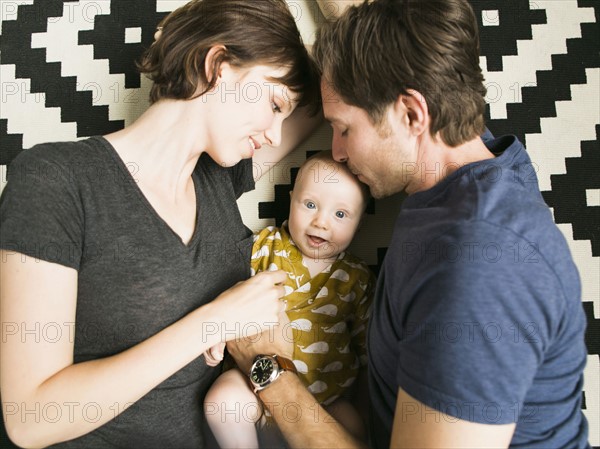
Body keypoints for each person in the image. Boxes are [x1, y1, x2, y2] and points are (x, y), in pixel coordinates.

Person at [226, 1, 591, 448]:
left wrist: (268, 369)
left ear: (413, 115)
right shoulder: (481, 164)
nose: (336, 151)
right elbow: (425, 58)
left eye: (343, 128)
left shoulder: (480, 267)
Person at [0, 1, 321, 448]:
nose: (273, 133)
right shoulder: (56, 179)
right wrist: (214, 323)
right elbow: (30, 418)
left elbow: (334, 80)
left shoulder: (219, 178)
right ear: (217, 65)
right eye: (272, 103)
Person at [203, 151, 376, 448]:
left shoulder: (357, 278)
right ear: (291, 200)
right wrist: (219, 331)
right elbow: (231, 294)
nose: (321, 222)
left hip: (323, 401)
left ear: (359, 224)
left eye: (340, 214)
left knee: (354, 425)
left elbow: (368, 347)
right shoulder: (265, 245)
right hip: (250, 381)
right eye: (310, 205)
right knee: (222, 403)